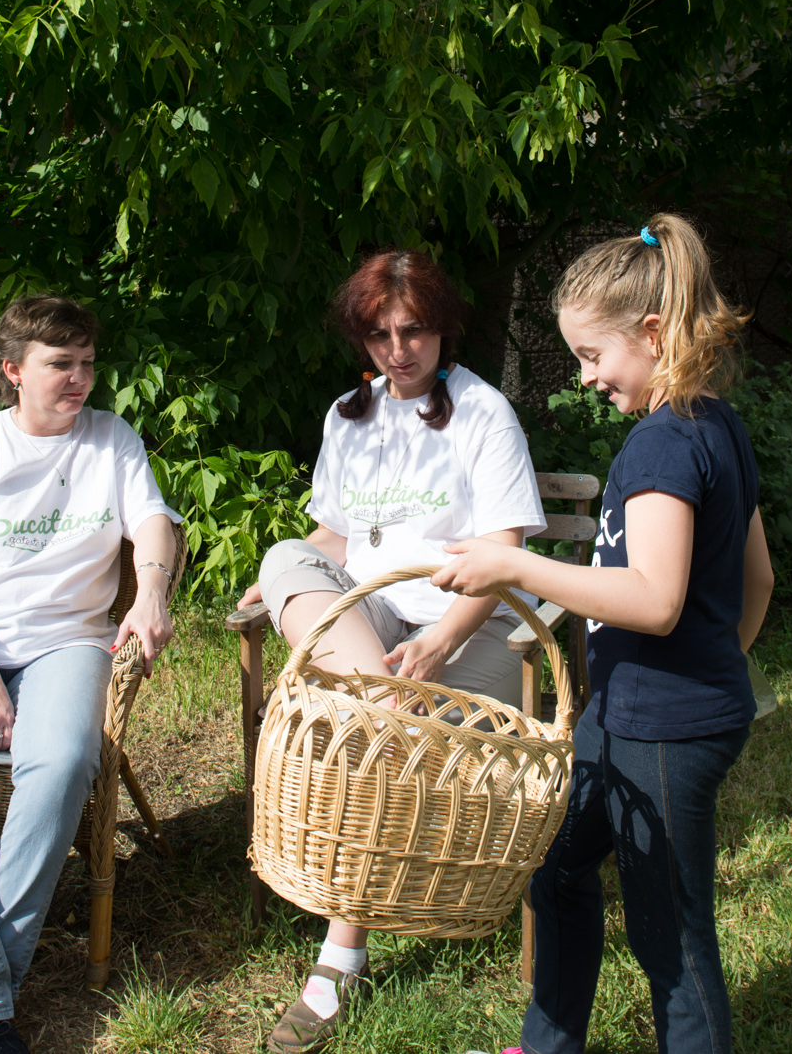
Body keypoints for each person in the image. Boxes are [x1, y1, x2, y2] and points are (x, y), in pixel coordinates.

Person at [431, 213, 775, 1054]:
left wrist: (513, 567)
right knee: (556, 868)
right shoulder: (714, 422)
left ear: (652, 333)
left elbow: (653, 598)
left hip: (665, 727)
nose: (586, 377)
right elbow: (758, 578)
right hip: (626, 715)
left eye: (592, 355)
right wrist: (718, 666)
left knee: (673, 940)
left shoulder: (664, 443)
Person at [244, 249, 547, 1054]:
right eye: (378, 334)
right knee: (280, 557)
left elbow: (506, 551)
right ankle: (382, 701)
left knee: (365, 741)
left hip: (473, 628)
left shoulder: (484, 415)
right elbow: (334, 537)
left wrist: (442, 639)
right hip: (370, 625)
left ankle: (338, 958)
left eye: (413, 331)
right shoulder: (351, 415)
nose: (397, 350)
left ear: (445, 329)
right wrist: (283, 581)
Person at [0, 294, 182, 1054]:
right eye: (60, 364)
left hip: (66, 641)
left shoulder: (112, 441)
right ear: (14, 370)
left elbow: (153, 524)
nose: (79, 379)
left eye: (86, 363)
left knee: (60, 766)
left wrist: (148, 592)